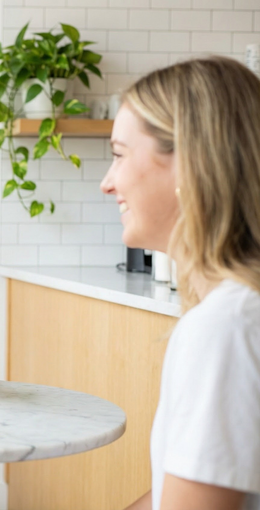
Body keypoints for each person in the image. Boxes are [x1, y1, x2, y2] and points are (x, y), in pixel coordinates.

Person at [100, 56, 260, 510]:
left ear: (191, 163)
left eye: (118, 155)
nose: (107, 183)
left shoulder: (227, 325)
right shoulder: (235, 311)